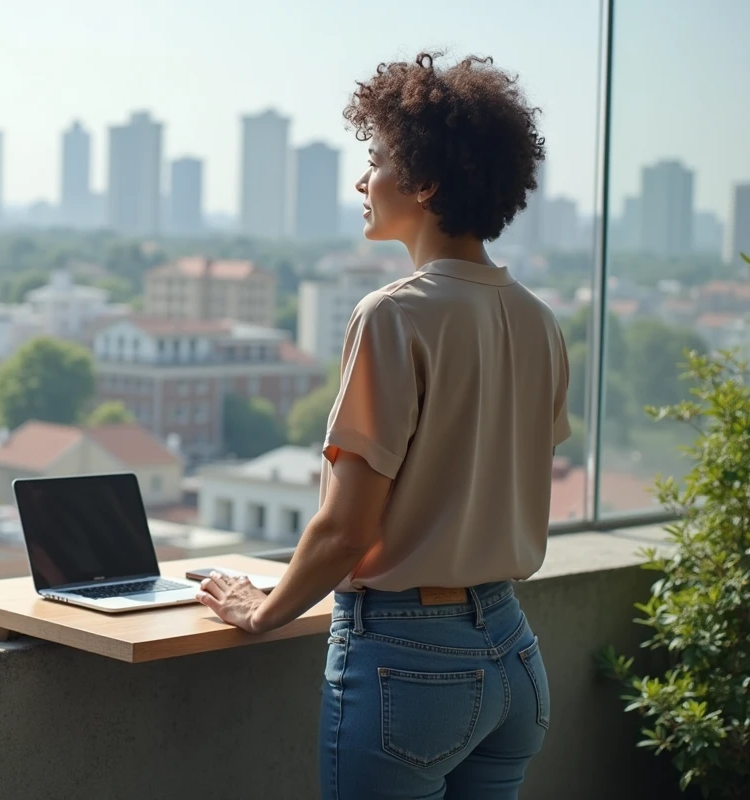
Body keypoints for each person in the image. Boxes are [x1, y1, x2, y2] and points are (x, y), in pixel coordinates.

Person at [197, 51, 569, 800]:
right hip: (513, 654)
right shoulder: (539, 320)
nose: (361, 182)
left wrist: (261, 611)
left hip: (410, 663)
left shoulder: (392, 315)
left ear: (424, 183)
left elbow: (345, 530)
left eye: (375, 162)